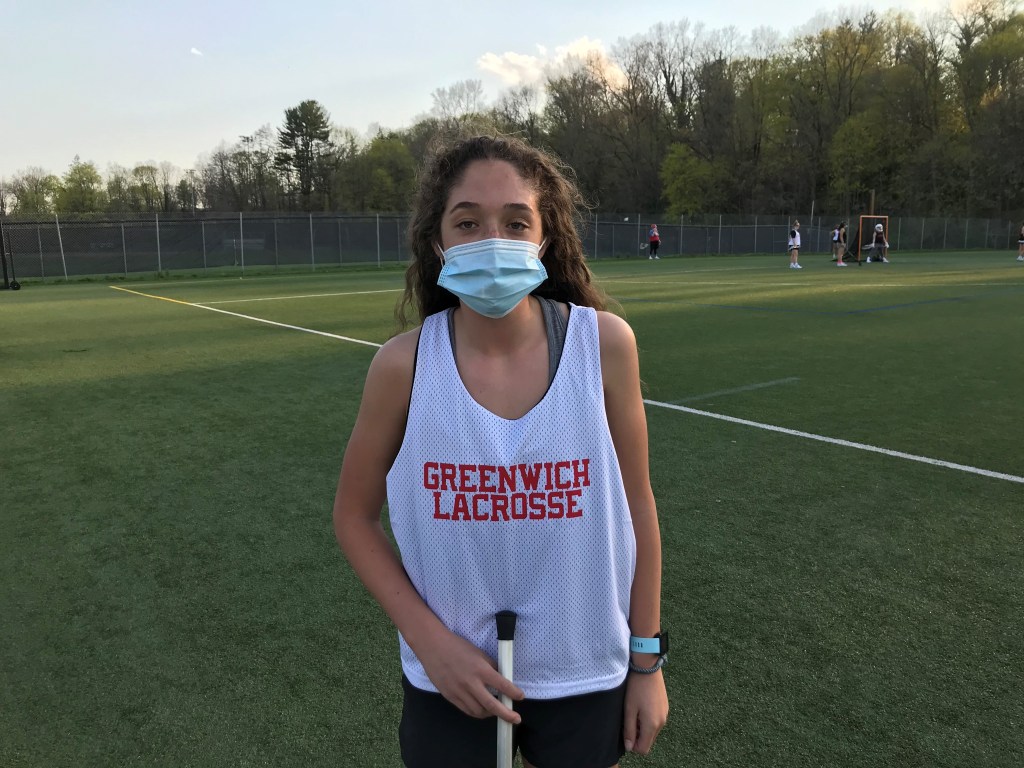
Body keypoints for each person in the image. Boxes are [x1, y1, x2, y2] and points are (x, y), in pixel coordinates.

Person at [332, 134, 668, 768]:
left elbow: (638, 506)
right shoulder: (402, 366)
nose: (493, 240)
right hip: (451, 680)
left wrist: (646, 662)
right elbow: (353, 516)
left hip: (585, 668)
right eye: (468, 223)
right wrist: (430, 644)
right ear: (438, 242)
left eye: (516, 222)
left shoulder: (605, 346)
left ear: (544, 238)